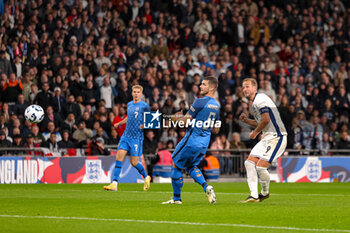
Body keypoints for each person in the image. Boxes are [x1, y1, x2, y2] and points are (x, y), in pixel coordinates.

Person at [162, 76, 220, 205]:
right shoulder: (216, 106)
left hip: (191, 140)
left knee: (175, 164)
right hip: (204, 143)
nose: (200, 86)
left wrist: (175, 118)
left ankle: (177, 199)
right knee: (191, 166)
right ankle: (206, 187)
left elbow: (185, 121)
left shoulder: (199, 102)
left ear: (211, 87)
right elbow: (216, 129)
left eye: (204, 84)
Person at [239, 78, 287, 203]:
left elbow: (265, 120)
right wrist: (247, 121)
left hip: (277, 136)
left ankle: (264, 192)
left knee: (260, 167)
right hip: (267, 137)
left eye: (247, 86)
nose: (245, 89)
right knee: (249, 163)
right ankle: (254, 195)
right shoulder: (255, 102)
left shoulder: (260, 99)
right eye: (243, 87)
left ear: (255, 88)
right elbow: (262, 122)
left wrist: (255, 133)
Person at [104, 85, 151, 191]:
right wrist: (119, 123)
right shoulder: (129, 104)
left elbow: (151, 119)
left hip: (136, 138)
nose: (136, 94)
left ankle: (146, 177)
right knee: (118, 158)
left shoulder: (144, 106)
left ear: (141, 93)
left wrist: (144, 124)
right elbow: (129, 118)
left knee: (134, 162)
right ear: (132, 93)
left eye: (138, 92)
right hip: (126, 136)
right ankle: (114, 183)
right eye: (134, 91)